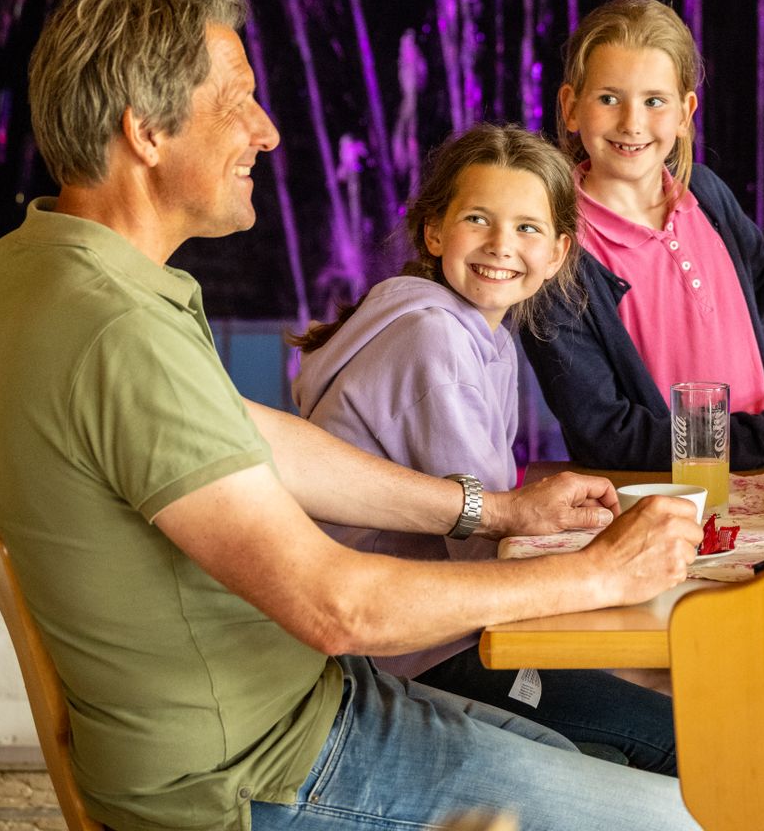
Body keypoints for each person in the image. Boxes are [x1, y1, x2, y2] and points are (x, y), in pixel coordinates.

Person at [0, 0, 702, 831]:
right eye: (238, 102)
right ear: (146, 132)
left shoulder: (33, 271)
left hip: (289, 708)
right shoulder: (116, 332)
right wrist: (601, 571)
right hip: (253, 771)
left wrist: (495, 511)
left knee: (592, 755)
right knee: (682, 815)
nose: (266, 133)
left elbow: (255, 437)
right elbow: (336, 607)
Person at [290, 123, 679, 774]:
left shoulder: (473, 330)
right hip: (403, 652)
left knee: (663, 684)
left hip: (424, 626)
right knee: (680, 728)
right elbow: (482, 544)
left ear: (558, 251)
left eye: (528, 227)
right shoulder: (433, 339)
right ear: (435, 231)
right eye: (479, 219)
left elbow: (494, 519)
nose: (503, 245)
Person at [522, 0, 764, 470]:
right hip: (654, 507)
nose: (632, 123)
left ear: (684, 113)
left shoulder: (704, 193)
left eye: (654, 101)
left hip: (754, 485)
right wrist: (761, 436)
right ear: (571, 107)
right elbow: (607, 434)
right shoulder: (558, 255)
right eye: (608, 98)